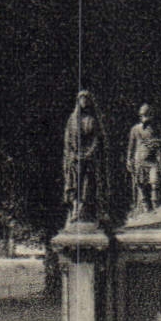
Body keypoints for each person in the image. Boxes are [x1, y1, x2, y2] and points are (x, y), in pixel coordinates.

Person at [62, 89, 109, 224]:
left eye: (87, 99)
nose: (84, 101)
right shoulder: (72, 119)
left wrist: (89, 153)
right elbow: (68, 139)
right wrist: (73, 154)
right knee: (74, 183)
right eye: (82, 99)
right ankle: (74, 210)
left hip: (89, 158)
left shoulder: (93, 120)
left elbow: (97, 139)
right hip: (75, 158)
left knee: (87, 184)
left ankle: (85, 211)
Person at [125, 103, 161, 214]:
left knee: (154, 182)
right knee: (140, 183)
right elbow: (131, 146)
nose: (145, 118)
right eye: (143, 115)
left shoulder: (156, 128)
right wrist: (129, 160)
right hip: (139, 160)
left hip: (152, 160)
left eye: (147, 115)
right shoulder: (135, 129)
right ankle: (145, 206)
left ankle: (155, 205)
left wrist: (155, 143)